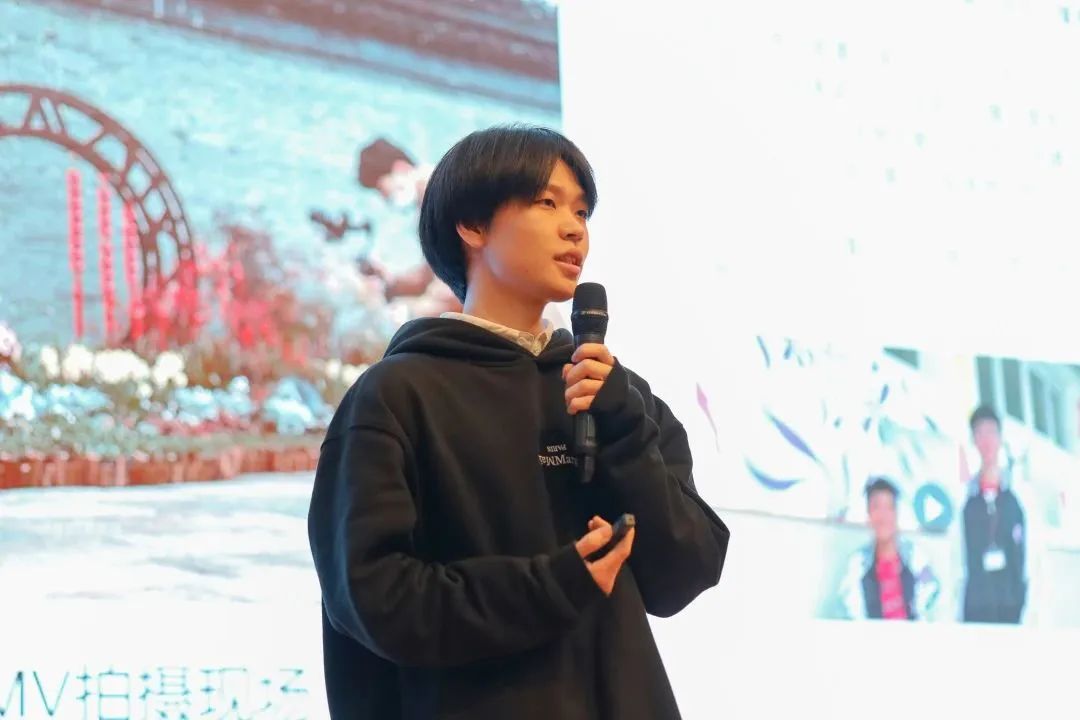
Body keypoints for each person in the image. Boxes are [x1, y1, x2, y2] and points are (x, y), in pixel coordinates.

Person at [307, 125, 730, 719]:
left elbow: (687, 570)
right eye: (547, 203)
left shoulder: (617, 395)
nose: (574, 228)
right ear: (471, 225)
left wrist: (624, 433)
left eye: (581, 211)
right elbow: (375, 601)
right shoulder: (396, 397)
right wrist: (551, 584)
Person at [961, 405, 1027, 624]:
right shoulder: (966, 500)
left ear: (1000, 438)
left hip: (1013, 610)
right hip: (976, 612)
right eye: (980, 433)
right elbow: (957, 563)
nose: (986, 440)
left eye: (991, 432)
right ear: (974, 440)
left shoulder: (1019, 497)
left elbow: (1033, 559)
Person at [839, 477, 940, 620]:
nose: (883, 516)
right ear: (868, 515)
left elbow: (929, 601)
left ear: (896, 514)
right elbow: (853, 612)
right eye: (876, 507)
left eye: (889, 507)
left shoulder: (916, 558)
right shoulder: (857, 564)